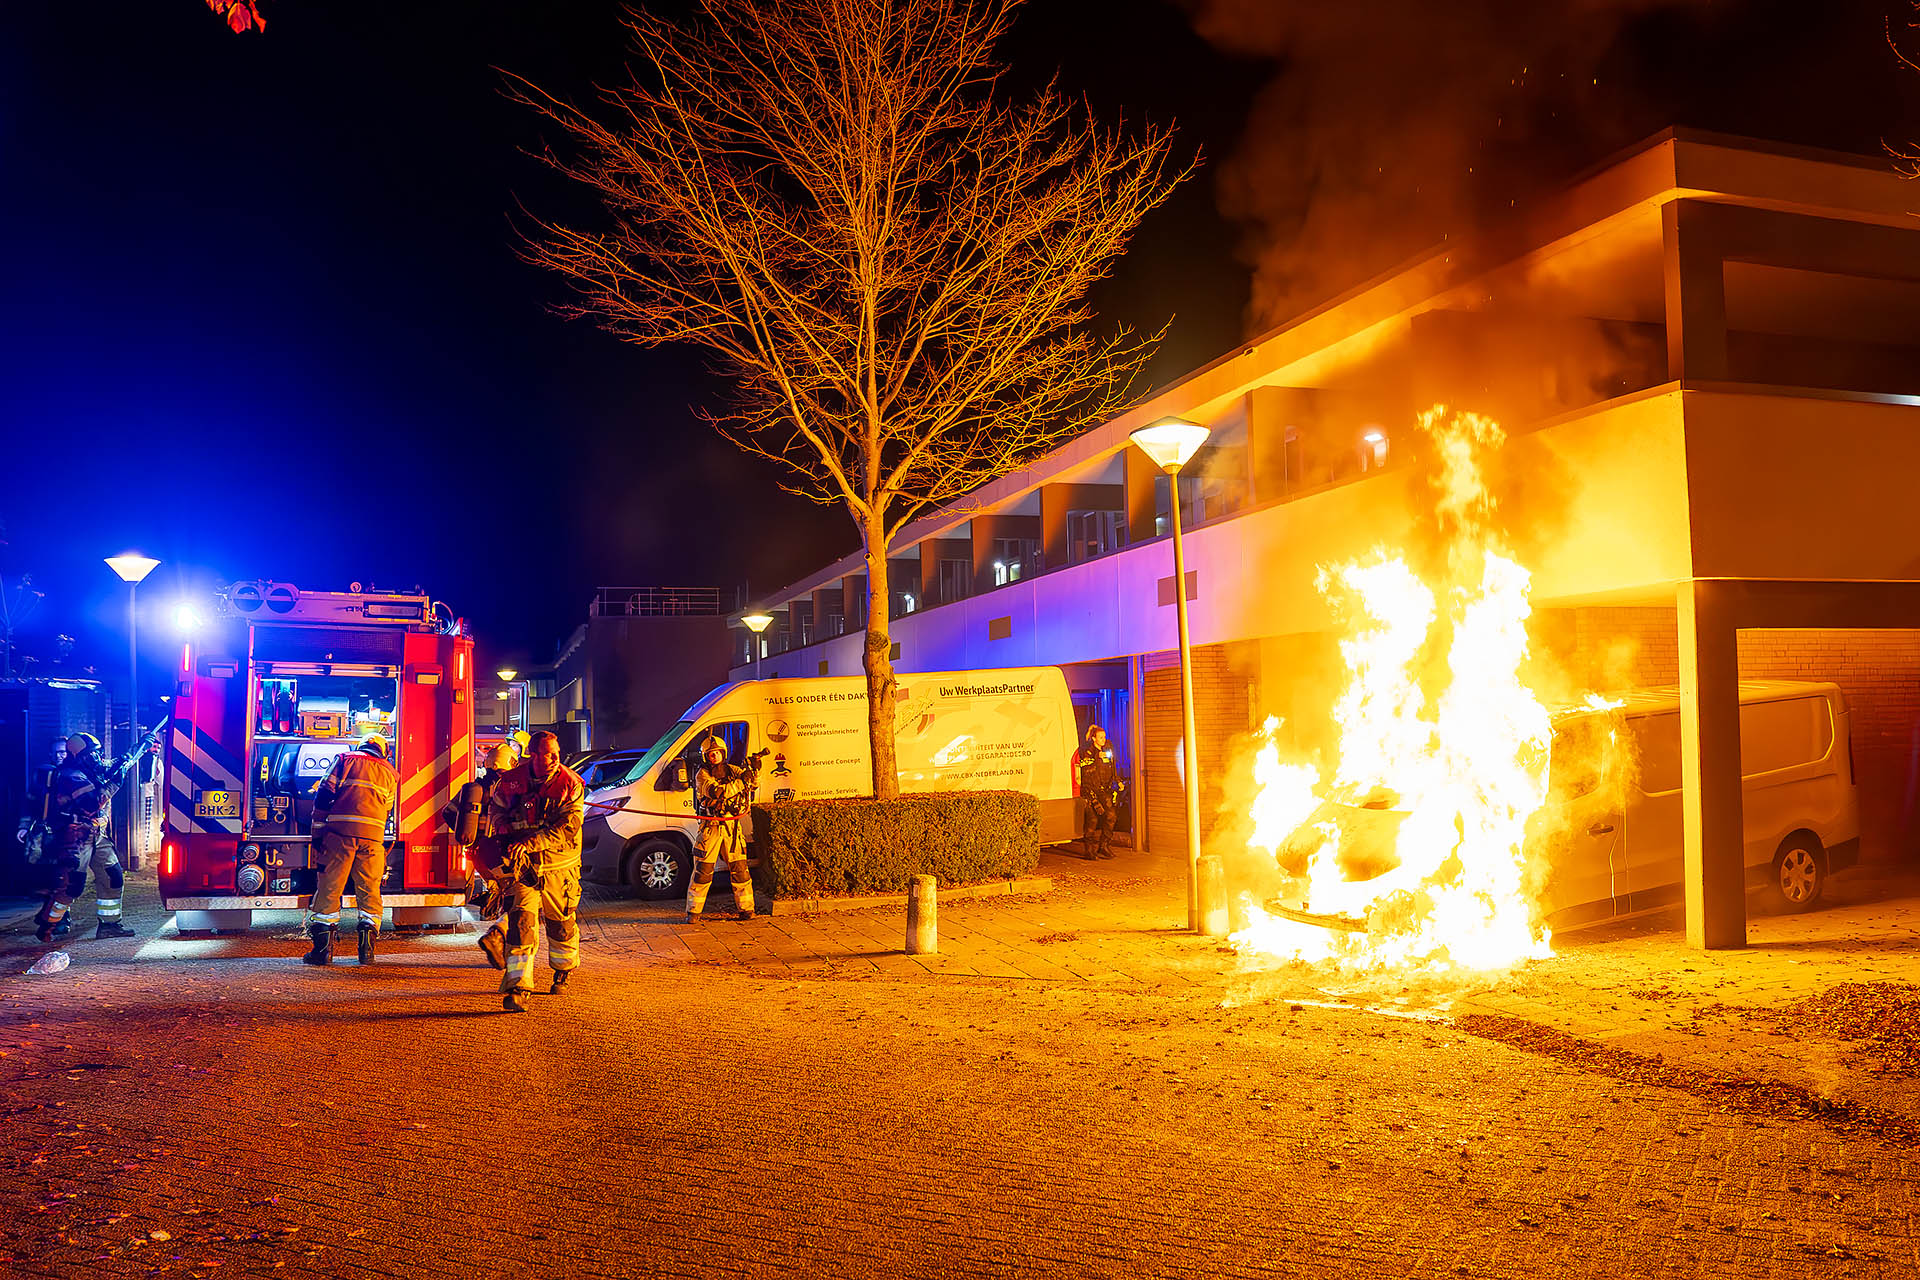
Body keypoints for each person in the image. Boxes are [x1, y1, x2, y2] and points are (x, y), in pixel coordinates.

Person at [491, 731, 585, 1013]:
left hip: (560, 866)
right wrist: (502, 828)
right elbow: (495, 811)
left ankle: (563, 970)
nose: (555, 757)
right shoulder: (508, 783)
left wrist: (529, 842)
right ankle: (518, 987)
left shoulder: (571, 784)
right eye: (547, 752)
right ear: (533, 754)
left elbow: (569, 827)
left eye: (556, 751)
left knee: (561, 924)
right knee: (521, 924)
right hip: (524, 868)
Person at [302, 735, 399, 966]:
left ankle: (322, 952)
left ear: (362, 746)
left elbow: (324, 795)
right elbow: (387, 807)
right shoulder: (390, 772)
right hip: (372, 840)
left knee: (330, 888)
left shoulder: (345, 760)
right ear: (383, 751)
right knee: (369, 891)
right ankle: (367, 952)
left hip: (340, 836)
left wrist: (317, 833)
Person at [35, 733, 137, 942]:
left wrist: (133, 751)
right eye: (92, 754)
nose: (97, 758)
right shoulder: (71, 776)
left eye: (97, 753)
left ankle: (110, 925)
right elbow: (92, 804)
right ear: (78, 755)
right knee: (72, 886)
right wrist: (117, 781)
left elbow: (109, 765)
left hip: (97, 834)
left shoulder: (89, 769)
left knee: (113, 875)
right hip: (76, 836)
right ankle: (48, 925)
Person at [447, 743, 519, 970]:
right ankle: (497, 936)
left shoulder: (473, 788)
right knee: (521, 899)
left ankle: (501, 942)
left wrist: (470, 837)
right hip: (500, 853)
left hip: (479, 854)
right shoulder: (510, 788)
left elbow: (448, 812)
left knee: (508, 894)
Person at [685, 735, 767, 922]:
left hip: (732, 826)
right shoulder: (702, 775)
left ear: (723, 753)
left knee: (740, 869)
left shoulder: (733, 770)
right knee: (703, 871)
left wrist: (755, 770)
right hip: (711, 827)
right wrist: (742, 781)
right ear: (706, 756)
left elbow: (753, 784)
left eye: (716, 753)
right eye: (710, 754)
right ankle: (693, 912)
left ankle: (747, 910)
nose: (714, 756)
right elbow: (717, 792)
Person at [19, 737, 69, 936]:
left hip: (67, 834)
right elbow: (29, 802)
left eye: (64, 752)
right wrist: (23, 826)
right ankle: (48, 914)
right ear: (51, 754)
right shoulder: (42, 774)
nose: (61, 756)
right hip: (43, 834)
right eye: (57, 752)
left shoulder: (75, 775)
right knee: (45, 877)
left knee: (62, 878)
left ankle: (61, 920)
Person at [1074, 725, 1122, 861]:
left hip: (1105, 791)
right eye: (1100, 737)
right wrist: (1096, 756)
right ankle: (1089, 851)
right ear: (1094, 738)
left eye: (1104, 737)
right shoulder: (1087, 751)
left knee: (1111, 817)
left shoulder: (1107, 750)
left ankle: (1104, 845)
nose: (1103, 739)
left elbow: (1113, 768)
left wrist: (1117, 781)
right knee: (1092, 821)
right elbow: (1085, 768)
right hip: (1091, 791)